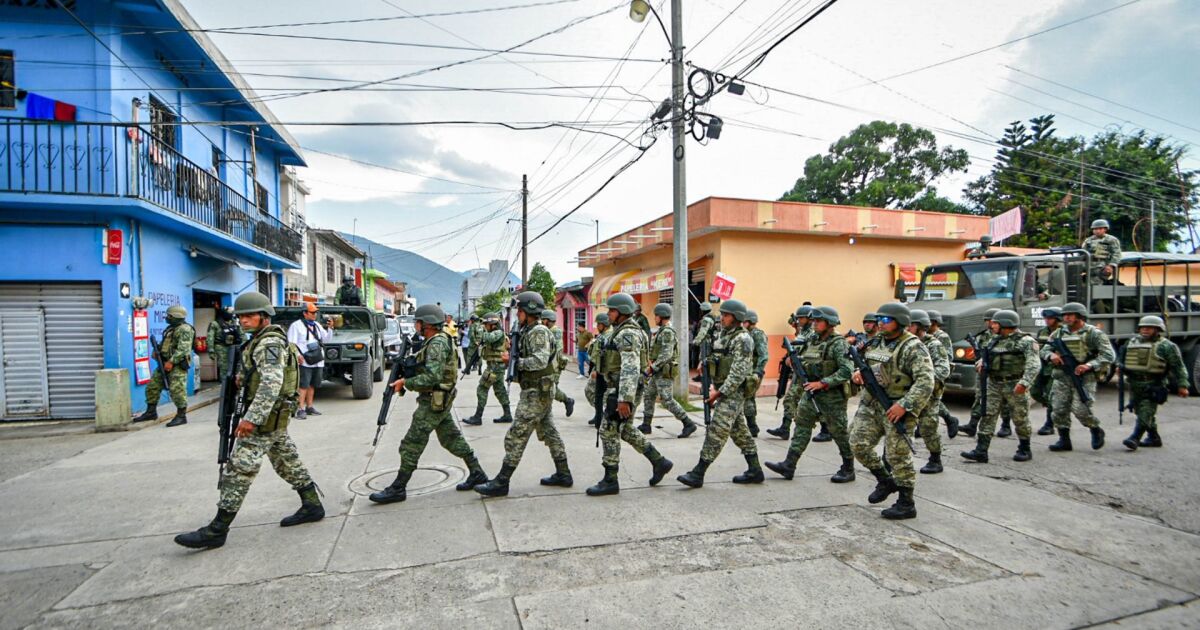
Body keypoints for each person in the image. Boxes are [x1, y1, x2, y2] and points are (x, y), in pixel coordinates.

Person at [174, 292, 322, 549]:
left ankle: (217, 529)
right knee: (288, 462)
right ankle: (312, 504)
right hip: (273, 419)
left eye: (249, 316)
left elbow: (271, 384)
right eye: (241, 316)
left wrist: (251, 419)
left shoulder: (269, 344)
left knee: (238, 471)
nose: (243, 321)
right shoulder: (259, 341)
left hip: (264, 421)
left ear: (264, 317)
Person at [368, 304, 489, 504]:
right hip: (437, 399)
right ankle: (477, 472)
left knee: (411, 444)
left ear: (427, 324)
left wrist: (406, 382)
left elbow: (432, 377)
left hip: (434, 400)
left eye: (418, 322)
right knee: (451, 438)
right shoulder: (434, 341)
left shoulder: (437, 344)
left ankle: (398, 487)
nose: (415, 325)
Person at [475, 291, 573, 497]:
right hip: (537, 389)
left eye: (520, 310)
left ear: (529, 310)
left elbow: (539, 361)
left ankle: (502, 481)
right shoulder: (528, 331)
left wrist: (512, 362)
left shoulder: (538, 331)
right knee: (549, 432)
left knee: (517, 434)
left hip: (537, 391)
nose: (517, 313)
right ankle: (564, 473)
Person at [849, 302, 934, 520]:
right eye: (879, 320)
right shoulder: (875, 342)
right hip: (872, 403)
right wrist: (858, 374)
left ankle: (906, 502)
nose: (880, 324)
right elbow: (867, 365)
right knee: (857, 443)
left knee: (898, 455)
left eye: (885, 320)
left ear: (901, 322)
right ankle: (885, 480)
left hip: (898, 406)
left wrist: (905, 404)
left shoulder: (912, 347)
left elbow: (926, 381)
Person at [588, 293, 674, 496]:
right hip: (620, 387)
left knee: (609, 430)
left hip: (623, 389)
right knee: (624, 430)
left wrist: (624, 398)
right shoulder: (621, 331)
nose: (608, 313)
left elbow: (630, 367)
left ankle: (610, 480)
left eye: (611, 310)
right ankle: (659, 462)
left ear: (621, 312)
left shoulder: (628, 334)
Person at [677, 300, 763, 488]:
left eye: (726, 315)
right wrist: (705, 362)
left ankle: (698, 473)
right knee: (740, 432)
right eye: (722, 315)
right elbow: (719, 356)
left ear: (737, 317)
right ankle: (755, 470)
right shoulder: (724, 336)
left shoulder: (743, 339)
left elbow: (738, 372)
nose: (722, 318)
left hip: (733, 392)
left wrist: (718, 393)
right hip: (723, 389)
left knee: (717, 430)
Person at [765, 306, 856, 484]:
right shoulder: (812, 340)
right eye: (813, 320)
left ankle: (848, 467)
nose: (814, 324)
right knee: (802, 427)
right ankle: (789, 464)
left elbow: (847, 370)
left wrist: (823, 383)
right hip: (811, 392)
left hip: (832, 397)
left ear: (829, 323)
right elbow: (804, 358)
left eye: (818, 321)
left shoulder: (838, 343)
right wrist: (794, 361)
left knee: (839, 433)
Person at [961, 310, 1041, 464]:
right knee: (987, 414)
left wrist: (1024, 383)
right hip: (993, 383)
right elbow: (988, 357)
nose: (992, 325)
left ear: (1006, 324)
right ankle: (981, 451)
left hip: (1015, 383)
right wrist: (981, 363)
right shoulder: (994, 339)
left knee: (1020, 417)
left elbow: (1034, 364)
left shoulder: (1025, 341)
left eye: (996, 323)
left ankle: (1025, 448)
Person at [1043, 302, 1114, 452]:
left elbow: (1108, 355)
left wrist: (1089, 365)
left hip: (1084, 377)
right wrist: (1051, 355)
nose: (1066, 318)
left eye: (1070, 315)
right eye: (1064, 315)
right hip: (1062, 376)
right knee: (1058, 409)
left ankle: (1095, 429)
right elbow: (1044, 350)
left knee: (1080, 409)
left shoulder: (1094, 333)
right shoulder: (1058, 333)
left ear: (1080, 316)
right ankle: (1064, 440)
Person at [1121, 315, 1190, 450]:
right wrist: (1120, 367)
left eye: (1149, 328)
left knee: (1146, 411)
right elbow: (1121, 358)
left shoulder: (1167, 346)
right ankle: (1154, 437)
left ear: (1158, 329)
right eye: (1143, 327)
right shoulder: (1131, 342)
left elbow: (1178, 366)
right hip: (1135, 384)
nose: (1145, 330)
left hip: (1154, 384)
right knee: (1139, 410)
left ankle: (1134, 437)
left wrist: (1183, 385)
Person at [641, 303, 698, 438]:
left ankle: (688, 423)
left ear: (661, 316)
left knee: (667, 400)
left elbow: (666, 355)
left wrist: (651, 368)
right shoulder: (662, 330)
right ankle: (646, 424)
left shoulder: (667, 332)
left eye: (656, 316)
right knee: (649, 395)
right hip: (658, 371)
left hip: (664, 371)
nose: (654, 318)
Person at [134, 304, 195, 427]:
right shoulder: (170, 329)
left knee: (177, 390)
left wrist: (171, 362)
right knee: (152, 386)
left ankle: (181, 416)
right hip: (164, 363)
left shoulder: (185, 329)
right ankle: (151, 412)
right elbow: (164, 344)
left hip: (177, 365)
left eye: (169, 316)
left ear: (176, 316)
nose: (167, 317)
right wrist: (157, 352)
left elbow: (184, 349)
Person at [768, 305, 820, 440]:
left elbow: (811, 351)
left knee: (811, 402)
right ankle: (785, 428)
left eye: (801, 318)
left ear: (809, 318)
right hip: (798, 370)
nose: (798, 321)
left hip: (807, 372)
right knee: (791, 400)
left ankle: (826, 430)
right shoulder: (803, 331)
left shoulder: (814, 333)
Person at [908, 309, 950, 474]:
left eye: (911, 325)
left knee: (927, 428)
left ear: (920, 327)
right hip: (906, 392)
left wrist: (923, 380)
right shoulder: (905, 342)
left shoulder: (933, 344)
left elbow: (943, 368)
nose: (907, 328)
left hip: (929, 394)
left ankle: (935, 458)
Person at [960, 309, 1012, 438]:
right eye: (988, 321)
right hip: (983, 371)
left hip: (999, 372)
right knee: (980, 397)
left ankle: (1006, 425)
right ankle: (972, 424)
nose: (988, 324)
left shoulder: (1002, 336)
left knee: (1004, 400)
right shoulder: (982, 336)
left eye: (990, 321)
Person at [465, 313, 512, 425]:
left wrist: (479, 329)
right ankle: (507, 414)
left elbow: (488, 338)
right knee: (500, 391)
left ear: (492, 324)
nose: (484, 326)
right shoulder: (493, 332)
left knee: (482, 388)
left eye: (486, 324)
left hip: (495, 366)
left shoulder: (498, 333)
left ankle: (478, 417)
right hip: (495, 366)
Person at [286, 303, 331, 420]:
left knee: (312, 384)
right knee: (303, 385)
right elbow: (291, 343)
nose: (314, 315)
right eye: (312, 312)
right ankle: (300, 408)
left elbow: (326, 339)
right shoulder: (296, 326)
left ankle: (309, 407)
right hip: (305, 360)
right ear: (305, 313)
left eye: (315, 312)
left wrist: (330, 328)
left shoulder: (317, 325)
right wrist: (297, 355)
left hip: (317, 360)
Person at [926, 310, 960, 437]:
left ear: (934, 322)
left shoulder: (942, 337)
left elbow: (947, 357)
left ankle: (949, 419)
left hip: (937, 372)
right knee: (926, 398)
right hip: (926, 370)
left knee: (932, 399)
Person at [1032, 308, 1062, 436]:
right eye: (1046, 318)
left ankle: (1050, 424)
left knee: (1051, 395)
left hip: (1055, 369)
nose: (1047, 320)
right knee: (1035, 391)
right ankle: (1052, 406)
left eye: (1050, 318)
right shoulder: (1042, 331)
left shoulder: (1062, 332)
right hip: (1042, 366)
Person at [541, 310, 576, 418]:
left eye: (543, 320)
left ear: (548, 320)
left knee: (550, 388)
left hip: (554, 364)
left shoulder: (555, 331)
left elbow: (553, 350)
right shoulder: (549, 330)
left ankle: (567, 401)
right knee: (549, 388)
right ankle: (567, 401)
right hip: (550, 364)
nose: (542, 322)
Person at [741, 309, 768, 438]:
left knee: (748, 398)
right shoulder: (746, 334)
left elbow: (764, 355)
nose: (742, 324)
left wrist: (758, 371)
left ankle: (753, 427)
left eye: (744, 321)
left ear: (750, 322)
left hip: (754, 371)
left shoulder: (757, 334)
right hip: (746, 370)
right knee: (745, 397)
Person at [586, 312, 612, 420]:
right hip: (598, 368)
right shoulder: (602, 335)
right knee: (593, 392)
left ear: (605, 324)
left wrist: (596, 369)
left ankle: (602, 415)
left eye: (599, 324)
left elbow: (603, 355)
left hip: (603, 370)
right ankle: (599, 413)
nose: (597, 326)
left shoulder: (608, 336)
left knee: (600, 394)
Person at [206, 306, 242, 384]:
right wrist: (211, 350)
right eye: (229, 313)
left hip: (234, 347)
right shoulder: (215, 324)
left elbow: (241, 334)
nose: (231, 315)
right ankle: (225, 386)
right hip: (221, 347)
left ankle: (234, 385)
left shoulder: (235, 323)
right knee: (224, 367)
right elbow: (210, 337)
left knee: (237, 366)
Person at [1082, 219, 1121, 284]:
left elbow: (1117, 254)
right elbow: (1083, 253)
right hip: (1088, 264)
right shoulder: (1088, 240)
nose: (1097, 231)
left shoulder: (1111, 240)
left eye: (1100, 229)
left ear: (1105, 229)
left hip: (1102, 265)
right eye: (1095, 229)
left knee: (1095, 283)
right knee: (1072, 268)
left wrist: (1111, 266)